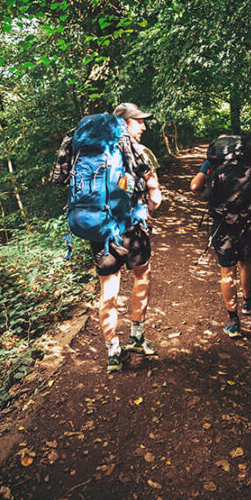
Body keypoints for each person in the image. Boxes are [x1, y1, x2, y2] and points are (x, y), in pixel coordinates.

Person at [53, 103, 163, 373]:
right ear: (124, 123)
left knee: (108, 292)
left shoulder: (85, 147)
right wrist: (144, 209)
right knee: (142, 276)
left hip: (100, 231)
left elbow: (61, 178)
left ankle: (113, 353)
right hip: (132, 230)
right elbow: (156, 196)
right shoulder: (139, 151)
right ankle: (136, 337)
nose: (143, 126)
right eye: (138, 121)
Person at [190, 134, 251, 338]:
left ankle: (233, 321)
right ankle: (248, 302)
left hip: (223, 223)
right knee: (246, 262)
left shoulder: (213, 161)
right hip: (247, 221)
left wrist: (211, 193)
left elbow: (194, 186)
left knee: (226, 271)